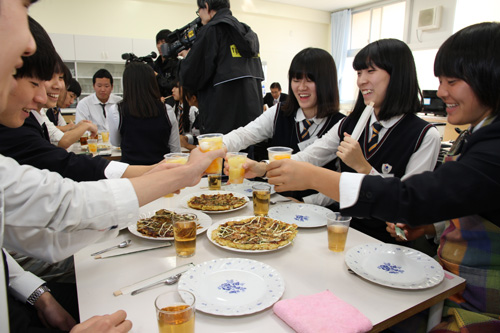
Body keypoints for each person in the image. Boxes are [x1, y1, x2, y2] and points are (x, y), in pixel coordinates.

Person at [0, 2, 224, 332]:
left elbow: (58, 211)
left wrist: (38, 295)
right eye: (33, 80)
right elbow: (64, 201)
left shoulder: (118, 112)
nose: (45, 94)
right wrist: (176, 173)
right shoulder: (158, 112)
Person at [267, 22, 500, 331]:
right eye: (359, 73)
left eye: (452, 81)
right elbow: (464, 200)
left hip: (471, 293)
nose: (441, 92)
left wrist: (317, 177)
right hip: (433, 270)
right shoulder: (473, 134)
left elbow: (411, 197)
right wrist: (432, 225)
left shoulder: (436, 135)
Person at [264, 39, 441, 243]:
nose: (361, 81)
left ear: (398, 75)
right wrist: (263, 168)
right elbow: (311, 156)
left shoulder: (425, 135)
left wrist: (363, 167)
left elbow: (405, 206)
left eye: (370, 71)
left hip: (384, 243)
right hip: (342, 230)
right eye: (358, 73)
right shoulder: (351, 123)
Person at [223, 47, 345, 201]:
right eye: (296, 80)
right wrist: (217, 147)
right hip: (278, 204)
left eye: (310, 80)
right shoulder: (280, 112)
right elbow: (245, 134)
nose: (301, 87)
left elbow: (341, 182)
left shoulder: (340, 124)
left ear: (326, 83)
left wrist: (305, 202)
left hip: (317, 212)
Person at [179, 0, 264, 134]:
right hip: (250, 128)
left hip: (220, 127)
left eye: (198, 11)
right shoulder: (249, 34)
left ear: (206, 6)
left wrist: (188, 57)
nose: (199, 17)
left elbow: (190, 78)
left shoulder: (211, 31)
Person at [108, 62, 181, 165]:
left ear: (126, 84)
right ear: (152, 83)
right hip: (160, 173)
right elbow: (175, 151)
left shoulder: (117, 110)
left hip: (132, 174)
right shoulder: (167, 111)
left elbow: (115, 142)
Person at [152, 29, 179, 99]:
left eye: (163, 42)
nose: (160, 46)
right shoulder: (154, 65)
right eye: (158, 43)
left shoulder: (177, 64)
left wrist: (157, 76)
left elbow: (173, 86)